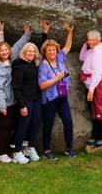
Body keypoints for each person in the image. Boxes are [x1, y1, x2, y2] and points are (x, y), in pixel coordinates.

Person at [0, 23, 33, 163]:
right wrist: (1, 106)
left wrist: (27, 35)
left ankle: (7, 151)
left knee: (11, 127)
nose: (4, 52)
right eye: (1, 51)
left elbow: (18, 46)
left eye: (5, 50)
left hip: (12, 101)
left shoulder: (11, 60)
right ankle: (0, 153)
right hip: (4, 103)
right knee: (4, 128)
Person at [38, 22, 76, 159]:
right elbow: (42, 86)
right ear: (45, 52)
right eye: (49, 50)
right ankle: (47, 150)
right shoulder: (43, 66)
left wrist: (70, 32)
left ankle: (69, 148)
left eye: (54, 49)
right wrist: (57, 78)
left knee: (68, 122)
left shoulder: (60, 57)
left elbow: (68, 46)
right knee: (48, 125)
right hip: (49, 99)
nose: (52, 52)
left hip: (62, 97)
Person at [79, 30, 102, 146]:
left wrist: (91, 90)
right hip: (90, 85)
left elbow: (98, 73)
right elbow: (81, 57)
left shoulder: (99, 52)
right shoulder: (91, 51)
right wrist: (85, 44)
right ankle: (96, 134)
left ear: (99, 40)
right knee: (93, 110)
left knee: (100, 110)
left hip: (97, 85)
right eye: (89, 39)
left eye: (93, 40)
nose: (91, 42)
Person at [11, 42, 43, 164]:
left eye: (34, 51)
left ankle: (30, 148)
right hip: (25, 101)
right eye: (29, 51)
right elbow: (16, 87)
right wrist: (22, 105)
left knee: (36, 122)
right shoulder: (19, 66)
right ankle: (17, 152)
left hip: (36, 100)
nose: (32, 53)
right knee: (23, 124)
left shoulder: (33, 65)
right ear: (24, 52)